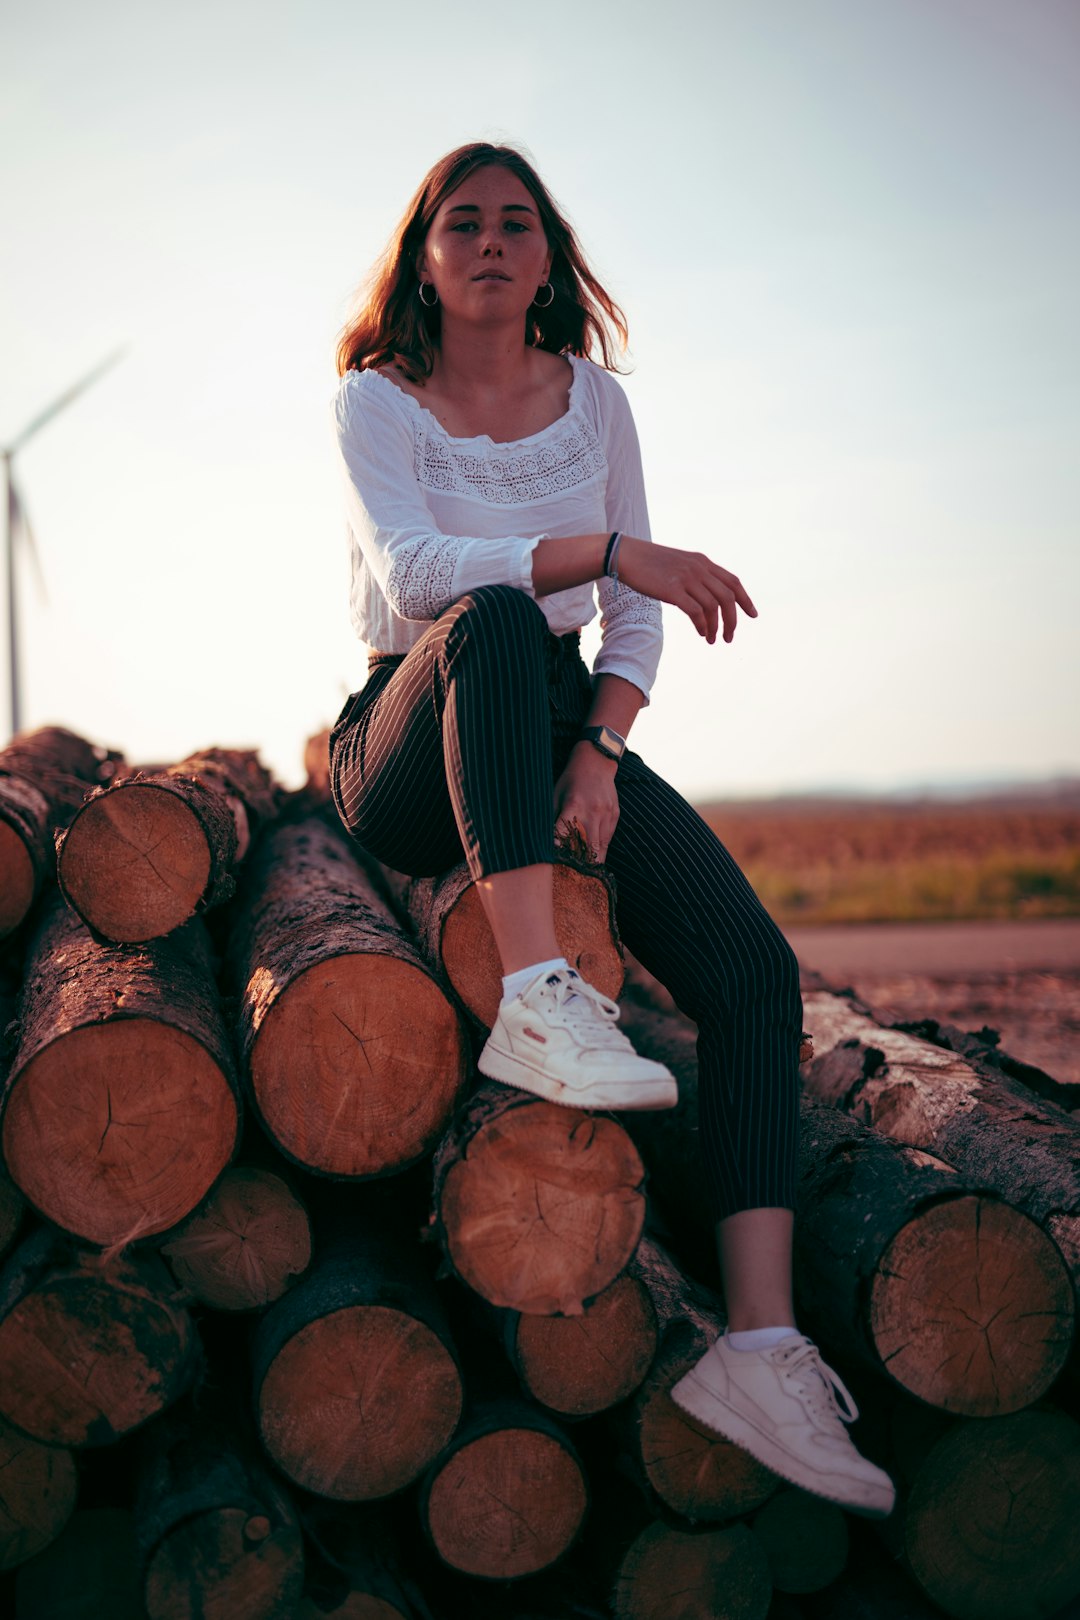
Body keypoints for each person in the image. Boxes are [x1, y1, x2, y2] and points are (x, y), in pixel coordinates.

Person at [327, 141, 895, 1520]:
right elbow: (416, 575)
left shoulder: (597, 408)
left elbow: (631, 627)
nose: (492, 240)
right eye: (462, 223)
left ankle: (758, 1350)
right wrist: (610, 556)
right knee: (501, 618)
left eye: (519, 222)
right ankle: (539, 994)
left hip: (556, 720)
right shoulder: (376, 403)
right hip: (408, 735)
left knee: (757, 976)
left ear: (550, 256)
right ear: (423, 259)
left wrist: (602, 750)